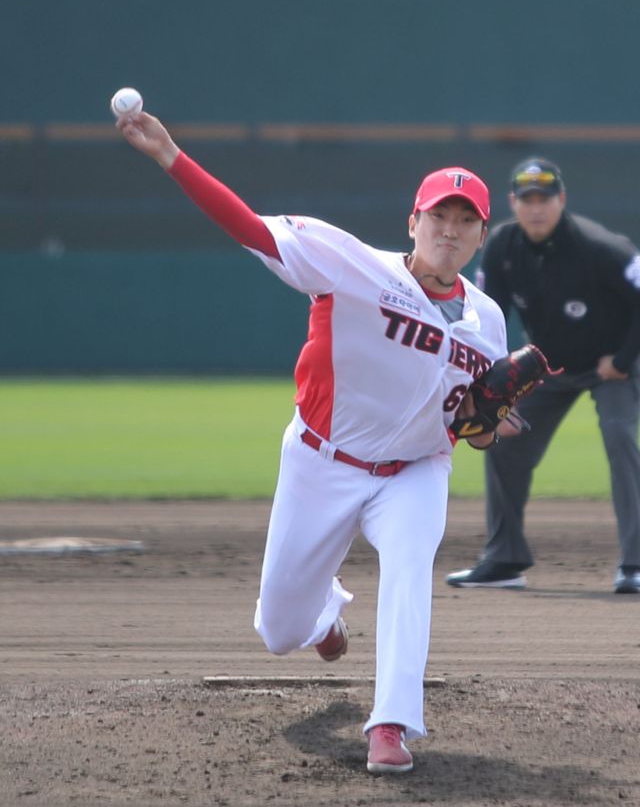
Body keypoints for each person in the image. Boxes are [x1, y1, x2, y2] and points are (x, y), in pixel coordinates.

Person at [115, 108, 507, 774]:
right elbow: (250, 228)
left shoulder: (488, 322)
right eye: (439, 214)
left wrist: (490, 422)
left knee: (411, 564)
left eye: (465, 219)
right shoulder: (352, 264)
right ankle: (324, 614)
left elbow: (475, 428)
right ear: (412, 222)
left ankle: (391, 724)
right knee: (279, 631)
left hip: (414, 470)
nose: (450, 228)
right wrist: (171, 157)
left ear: (481, 235)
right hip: (321, 462)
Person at [446, 157, 640, 595]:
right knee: (501, 440)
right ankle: (504, 560)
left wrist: (624, 359)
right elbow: (489, 316)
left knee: (621, 440)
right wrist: (491, 384)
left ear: (561, 200)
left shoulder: (600, 247)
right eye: (527, 199)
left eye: (545, 198)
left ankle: (635, 564)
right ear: (513, 202)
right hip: (547, 367)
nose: (536, 208)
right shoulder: (502, 245)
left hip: (610, 366)